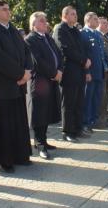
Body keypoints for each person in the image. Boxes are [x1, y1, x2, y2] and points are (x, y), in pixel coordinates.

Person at [0, 0, 33, 172]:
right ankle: (5, 160)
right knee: (4, 125)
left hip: (18, 85)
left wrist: (27, 72)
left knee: (18, 123)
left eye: (8, 9)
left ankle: (20, 155)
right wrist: (20, 74)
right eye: (4, 10)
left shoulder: (13, 30)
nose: (8, 12)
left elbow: (26, 52)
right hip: (2, 86)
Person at [25, 12, 63, 160]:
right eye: (42, 21)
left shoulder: (48, 37)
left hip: (52, 80)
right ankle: (39, 144)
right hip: (39, 82)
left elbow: (58, 55)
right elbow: (37, 61)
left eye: (45, 20)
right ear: (34, 25)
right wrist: (54, 73)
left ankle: (44, 141)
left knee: (47, 112)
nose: (45, 23)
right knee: (39, 114)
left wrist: (59, 70)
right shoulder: (30, 40)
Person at [53, 6, 91, 142]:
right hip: (69, 72)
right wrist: (83, 60)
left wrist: (86, 67)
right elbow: (65, 50)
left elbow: (82, 49)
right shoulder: (60, 29)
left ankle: (78, 128)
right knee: (68, 103)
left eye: (76, 14)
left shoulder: (75, 30)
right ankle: (67, 131)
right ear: (65, 16)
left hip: (80, 71)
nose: (75, 16)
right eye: (73, 14)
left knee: (79, 102)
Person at [81, 12, 108, 132]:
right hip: (90, 73)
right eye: (95, 19)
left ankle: (93, 120)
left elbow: (102, 54)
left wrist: (107, 67)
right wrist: (86, 71)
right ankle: (85, 122)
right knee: (88, 98)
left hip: (99, 72)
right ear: (88, 21)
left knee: (96, 98)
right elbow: (84, 55)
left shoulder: (97, 34)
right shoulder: (83, 34)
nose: (97, 21)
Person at [96, 17, 108, 128]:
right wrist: (107, 68)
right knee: (102, 95)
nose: (107, 26)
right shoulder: (98, 36)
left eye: (107, 24)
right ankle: (100, 118)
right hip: (103, 70)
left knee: (107, 94)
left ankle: (104, 116)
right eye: (104, 23)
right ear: (98, 24)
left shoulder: (105, 36)